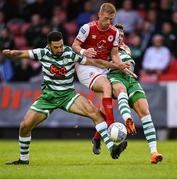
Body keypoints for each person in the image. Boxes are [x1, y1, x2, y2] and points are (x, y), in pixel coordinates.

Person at [2, 31, 128, 165]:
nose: (60, 49)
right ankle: (23, 160)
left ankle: (112, 148)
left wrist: (116, 66)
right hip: (48, 98)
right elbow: (22, 54)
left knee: (96, 114)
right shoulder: (42, 53)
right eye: (56, 47)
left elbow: (94, 62)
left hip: (68, 96)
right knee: (24, 126)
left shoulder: (70, 53)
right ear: (49, 46)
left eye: (61, 45)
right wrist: (11, 53)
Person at [72, 2, 134, 155]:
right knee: (107, 86)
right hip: (85, 66)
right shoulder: (87, 28)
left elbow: (114, 55)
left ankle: (97, 138)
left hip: (102, 67)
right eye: (106, 19)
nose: (109, 22)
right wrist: (84, 51)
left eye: (111, 20)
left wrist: (121, 65)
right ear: (99, 15)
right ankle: (112, 127)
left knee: (103, 108)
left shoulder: (114, 33)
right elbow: (74, 45)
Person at [107, 24, 163, 164]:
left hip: (131, 80)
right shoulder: (106, 48)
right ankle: (127, 119)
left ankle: (154, 152)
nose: (119, 38)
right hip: (115, 77)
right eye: (117, 35)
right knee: (121, 91)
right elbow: (100, 63)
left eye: (122, 36)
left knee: (145, 111)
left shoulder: (126, 48)